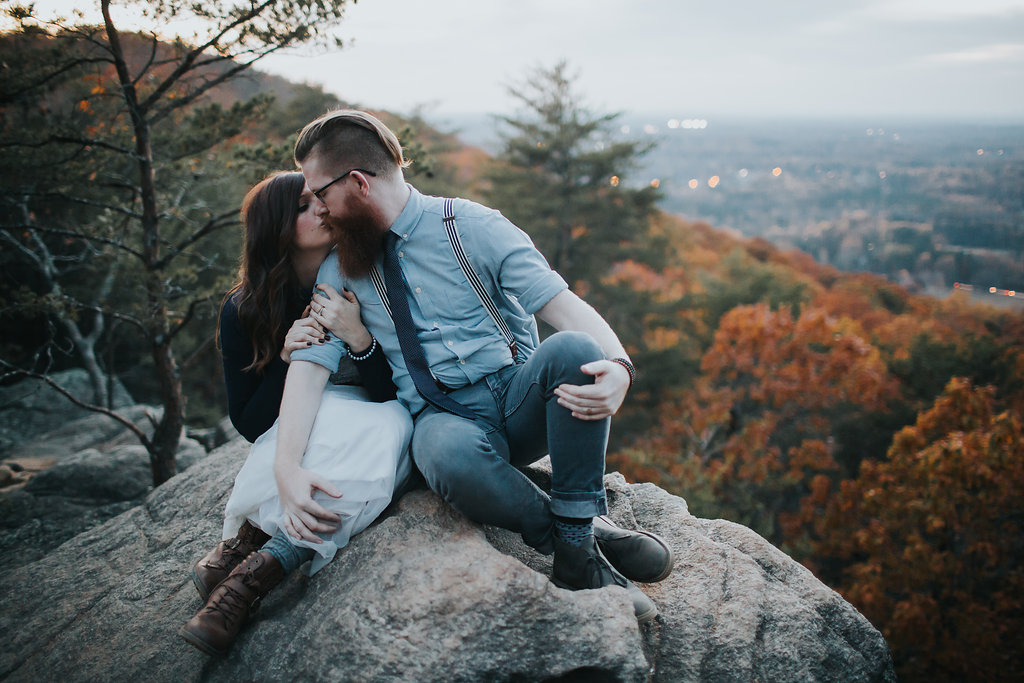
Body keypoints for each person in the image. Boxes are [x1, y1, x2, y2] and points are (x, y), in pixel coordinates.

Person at [287, 110, 673, 623]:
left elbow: (561, 304)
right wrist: (285, 466)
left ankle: (578, 547)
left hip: (519, 398)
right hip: (446, 425)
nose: (317, 208)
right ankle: (580, 541)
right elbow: (312, 366)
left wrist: (621, 367)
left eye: (320, 193)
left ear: (358, 183)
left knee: (577, 349)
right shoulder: (340, 269)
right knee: (440, 451)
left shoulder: (472, 225)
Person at [178, 171, 413, 655]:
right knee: (323, 427)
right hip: (303, 423)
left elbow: (394, 392)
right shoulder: (245, 308)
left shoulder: (360, 274)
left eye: (320, 199)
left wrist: (360, 340)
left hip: (372, 413)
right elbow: (248, 422)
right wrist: (286, 364)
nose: (322, 209)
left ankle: (248, 576)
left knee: (384, 430)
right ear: (278, 228)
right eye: (304, 207)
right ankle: (247, 548)